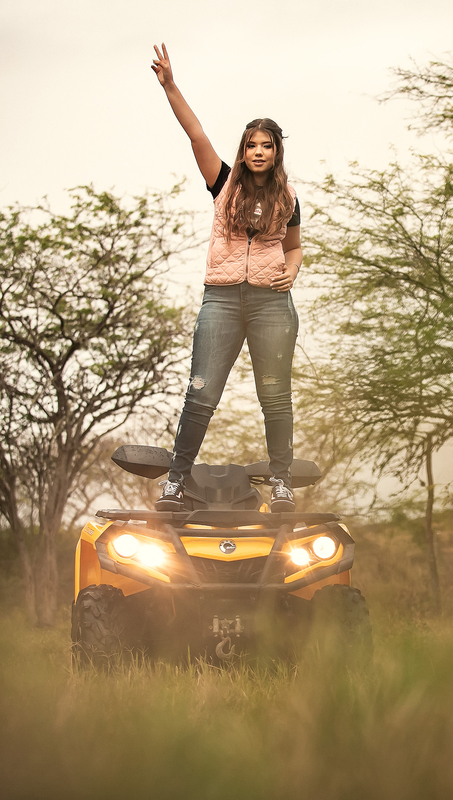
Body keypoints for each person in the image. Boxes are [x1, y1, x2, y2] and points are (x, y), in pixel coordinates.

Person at [150, 43, 302, 512]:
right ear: (242, 151)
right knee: (202, 393)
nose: (258, 152)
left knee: (275, 395)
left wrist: (291, 272)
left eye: (266, 146)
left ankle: (281, 484)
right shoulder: (222, 183)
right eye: (251, 145)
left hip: (271, 305)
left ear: (276, 153)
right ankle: (176, 481)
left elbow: (294, 247)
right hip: (221, 299)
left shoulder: (289, 197)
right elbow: (195, 134)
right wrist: (171, 86)